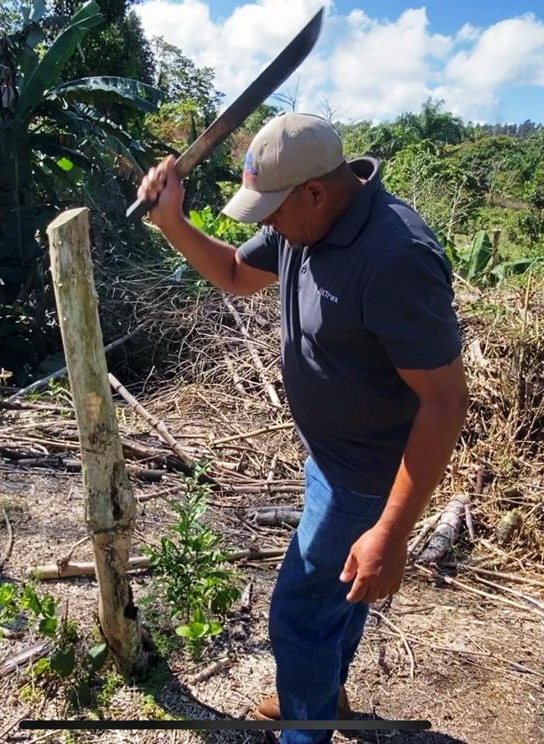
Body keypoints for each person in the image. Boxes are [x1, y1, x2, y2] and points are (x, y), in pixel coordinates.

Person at [137, 113, 468, 741]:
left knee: (297, 614)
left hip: (365, 476)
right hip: (329, 461)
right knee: (336, 599)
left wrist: (392, 532)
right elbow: (236, 275)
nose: (266, 225)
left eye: (272, 211)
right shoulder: (305, 222)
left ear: (315, 191)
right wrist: (172, 222)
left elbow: (446, 402)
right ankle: (318, 698)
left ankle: (304, 727)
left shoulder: (395, 257)